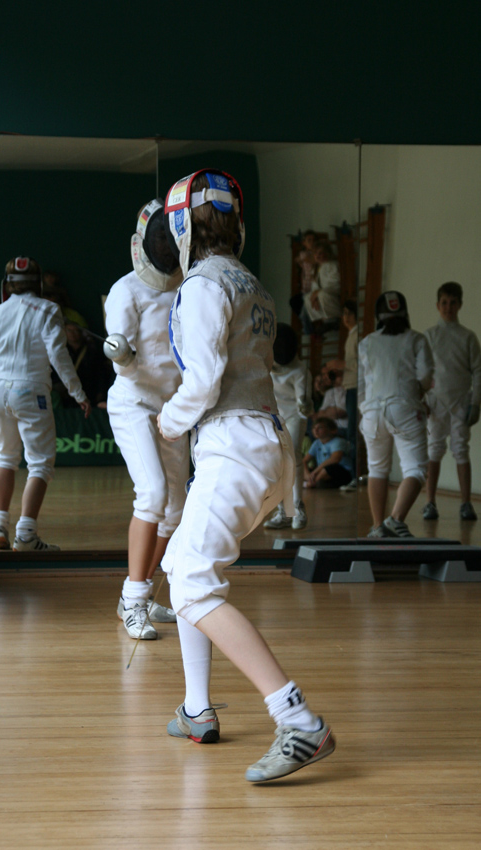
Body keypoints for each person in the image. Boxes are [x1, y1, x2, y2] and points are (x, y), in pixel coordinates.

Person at [158, 169, 335, 782]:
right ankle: (197, 707)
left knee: (193, 586)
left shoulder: (204, 284)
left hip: (233, 444)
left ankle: (299, 722)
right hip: (267, 443)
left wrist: (169, 419)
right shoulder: (251, 282)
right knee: (181, 562)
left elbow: (203, 379)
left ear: (182, 227)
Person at [103, 199, 189, 640]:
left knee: (175, 512)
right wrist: (121, 351)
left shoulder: (190, 288)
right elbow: (123, 361)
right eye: (161, 238)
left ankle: (137, 596)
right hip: (134, 405)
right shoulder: (126, 291)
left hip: (173, 410)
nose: (166, 245)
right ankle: (134, 599)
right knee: (152, 493)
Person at [0, 257, 91, 551]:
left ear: (8, 286)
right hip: (31, 391)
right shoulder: (48, 310)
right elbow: (59, 357)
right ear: (38, 284)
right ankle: (25, 535)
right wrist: (78, 393)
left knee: (5, 457)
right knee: (40, 464)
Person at [358, 291, 434, 538]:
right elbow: (424, 377)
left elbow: (363, 382)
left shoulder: (367, 342)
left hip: (371, 412)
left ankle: (378, 526)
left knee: (377, 469)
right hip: (404, 408)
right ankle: (395, 519)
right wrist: (419, 395)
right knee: (416, 468)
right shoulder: (417, 340)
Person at [422, 282, 481, 522]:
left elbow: (478, 371)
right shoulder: (429, 336)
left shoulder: (468, 337)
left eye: (453, 302)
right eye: (444, 303)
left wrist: (475, 403)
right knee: (434, 449)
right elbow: (422, 373)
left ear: (460, 305)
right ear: (438, 305)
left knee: (461, 450)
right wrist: (422, 400)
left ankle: (466, 502)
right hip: (435, 403)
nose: (448, 307)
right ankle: (429, 502)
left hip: (460, 402)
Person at [263, 323, 312, 529]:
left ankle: (298, 507)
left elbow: (304, 403)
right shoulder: (265, 364)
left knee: (293, 458)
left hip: (294, 417)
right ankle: (285, 510)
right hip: (275, 417)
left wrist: (304, 403)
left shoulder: (300, 370)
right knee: (278, 463)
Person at [327, 299, 359, 491]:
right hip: (350, 386)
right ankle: (353, 476)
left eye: (349, 313)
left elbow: (362, 365)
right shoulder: (351, 335)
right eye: (344, 313)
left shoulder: (358, 336)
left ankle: (356, 477)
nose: (345, 318)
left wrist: (343, 365)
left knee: (354, 433)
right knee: (351, 434)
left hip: (356, 387)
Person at [301, 241, 342, 335]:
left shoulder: (332, 265)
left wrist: (318, 292)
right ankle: (324, 320)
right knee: (307, 298)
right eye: (316, 254)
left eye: (321, 253)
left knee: (322, 295)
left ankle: (333, 319)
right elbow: (315, 286)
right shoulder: (317, 269)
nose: (318, 256)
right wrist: (314, 296)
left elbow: (334, 283)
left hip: (332, 293)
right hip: (321, 292)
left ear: (327, 253)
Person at [303, 417, 353, 489]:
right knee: (299, 468)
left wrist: (315, 471)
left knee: (328, 469)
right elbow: (304, 461)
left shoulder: (338, 441)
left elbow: (335, 459)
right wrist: (307, 474)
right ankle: (311, 481)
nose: (316, 430)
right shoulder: (316, 443)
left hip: (343, 473)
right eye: (314, 428)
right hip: (321, 471)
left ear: (332, 430)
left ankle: (310, 483)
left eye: (320, 428)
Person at [289, 230, 317, 319]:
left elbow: (312, 260)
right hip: (306, 289)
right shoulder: (303, 254)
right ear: (304, 243)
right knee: (294, 302)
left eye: (313, 240)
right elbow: (300, 259)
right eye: (309, 240)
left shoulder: (318, 254)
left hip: (315, 289)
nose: (312, 243)